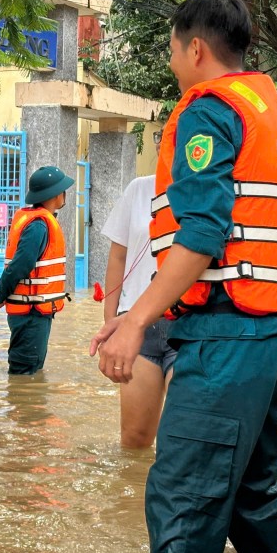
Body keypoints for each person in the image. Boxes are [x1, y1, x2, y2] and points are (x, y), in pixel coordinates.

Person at [90, 0, 277, 553]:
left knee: (182, 503)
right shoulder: (265, 111)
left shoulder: (207, 110)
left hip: (225, 338)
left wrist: (135, 321)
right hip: (272, 335)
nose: (171, 64)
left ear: (198, 49)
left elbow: (202, 233)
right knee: (252, 500)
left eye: (172, 51)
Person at [100, 175, 177, 449]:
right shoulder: (139, 189)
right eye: (161, 136)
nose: (164, 143)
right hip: (135, 325)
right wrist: (111, 323)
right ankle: (132, 492)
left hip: (187, 324)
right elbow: (117, 257)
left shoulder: (206, 183)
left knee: (181, 435)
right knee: (135, 440)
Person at [0, 166, 74, 374]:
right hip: (31, 314)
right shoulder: (38, 225)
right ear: (55, 194)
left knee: (30, 371)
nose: (65, 194)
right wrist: (0, 293)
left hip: (33, 311)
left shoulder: (40, 220)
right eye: (63, 190)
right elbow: (21, 264)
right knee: (24, 374)